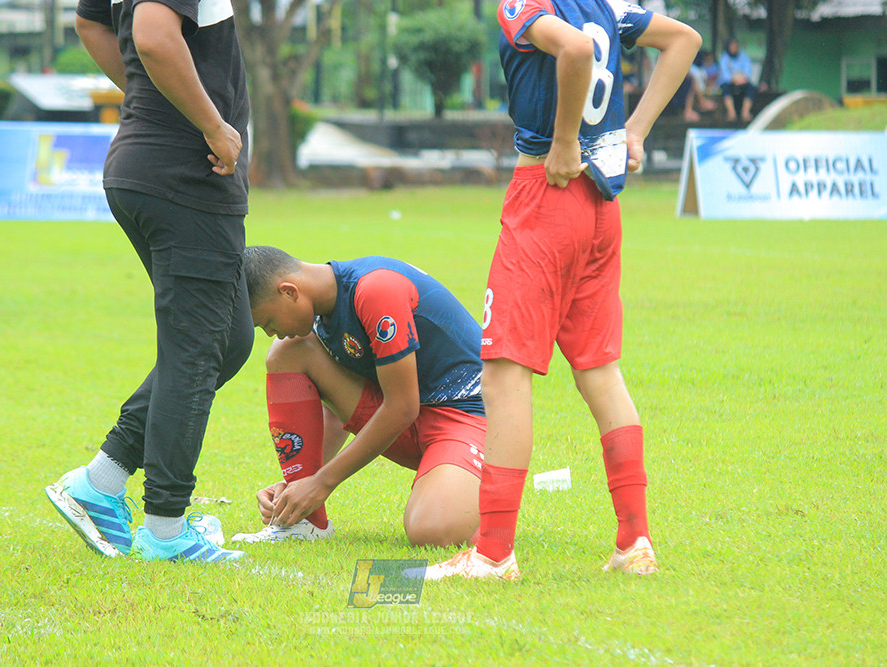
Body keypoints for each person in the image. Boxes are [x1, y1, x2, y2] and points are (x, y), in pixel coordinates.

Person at [424, 0, 701, 580]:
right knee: (600, 370)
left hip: (548, 193)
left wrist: (565, 140)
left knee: (502, 373)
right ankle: (635, 541)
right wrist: (635, 131)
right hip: (602, 204)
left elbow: (573, 49)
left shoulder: (524, 4)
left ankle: (493, 553)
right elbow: (685, 40)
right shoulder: (608, 4)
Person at [44, 0, 253, 564]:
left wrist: (155, 96)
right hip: (187, 173)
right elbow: (155, 38)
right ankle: (165, 530)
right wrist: (210, 123)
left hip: (145, 167)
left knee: (227, 341)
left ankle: (100, 482)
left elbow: (91, 21)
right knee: (195, 350)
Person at [231, 246, 487, 547]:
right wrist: (297, 485)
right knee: (288, 353)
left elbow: (402, 407)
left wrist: (322, 482)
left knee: (432, 531)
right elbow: (335, 412)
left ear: (289, 292)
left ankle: (481, 484)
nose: (271, 333)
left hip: (467, 417)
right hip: (408, 419)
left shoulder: (375, 290)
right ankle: (305, 521)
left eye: (268, 322)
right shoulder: (321, 311)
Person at [719, 37, 756, 122]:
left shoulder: (744, 56)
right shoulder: (724, 58)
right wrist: (734, 80)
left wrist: (742, 79)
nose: (734, 49)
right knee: (725, 88)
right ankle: (731, 113)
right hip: (731, 83)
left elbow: (747, 71)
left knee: (751, 88)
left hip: (743, 82)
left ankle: (745, 112)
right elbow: (725, 75)